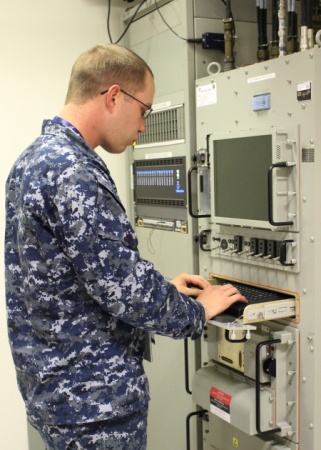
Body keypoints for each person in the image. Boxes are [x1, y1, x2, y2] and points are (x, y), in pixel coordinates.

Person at [5, 44, 247, 450]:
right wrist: (198, 310)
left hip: (54, 390)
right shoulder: (74, 172)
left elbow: (70, 280)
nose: (143, 128)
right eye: (144, 112)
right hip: (94, 402)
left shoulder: (32, 160)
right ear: (114, 96)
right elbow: (123, 288)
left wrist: (163, 289)